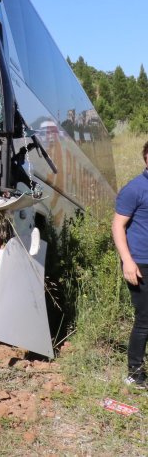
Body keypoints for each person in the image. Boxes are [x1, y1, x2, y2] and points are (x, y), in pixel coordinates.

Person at [113, 140, 148, 388]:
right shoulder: (134, 189)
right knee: (145, 319)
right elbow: (118, 226)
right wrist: (127, 260)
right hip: (141, 264)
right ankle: (134, 373)